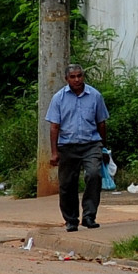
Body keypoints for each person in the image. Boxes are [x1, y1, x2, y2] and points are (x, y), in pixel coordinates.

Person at [47, 63, 110, 231]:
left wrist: (104, 148)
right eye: (73, 77)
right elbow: (54, 126)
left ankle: (89, 216)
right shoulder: (58, 98)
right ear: (66, 79)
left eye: (79, 76)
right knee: (67, 184)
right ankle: (71, 219)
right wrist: (54, 152)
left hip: (91, 144)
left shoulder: (95, 95)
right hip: (67, 146)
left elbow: (101, 123)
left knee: (94, 175)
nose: (77, 79)